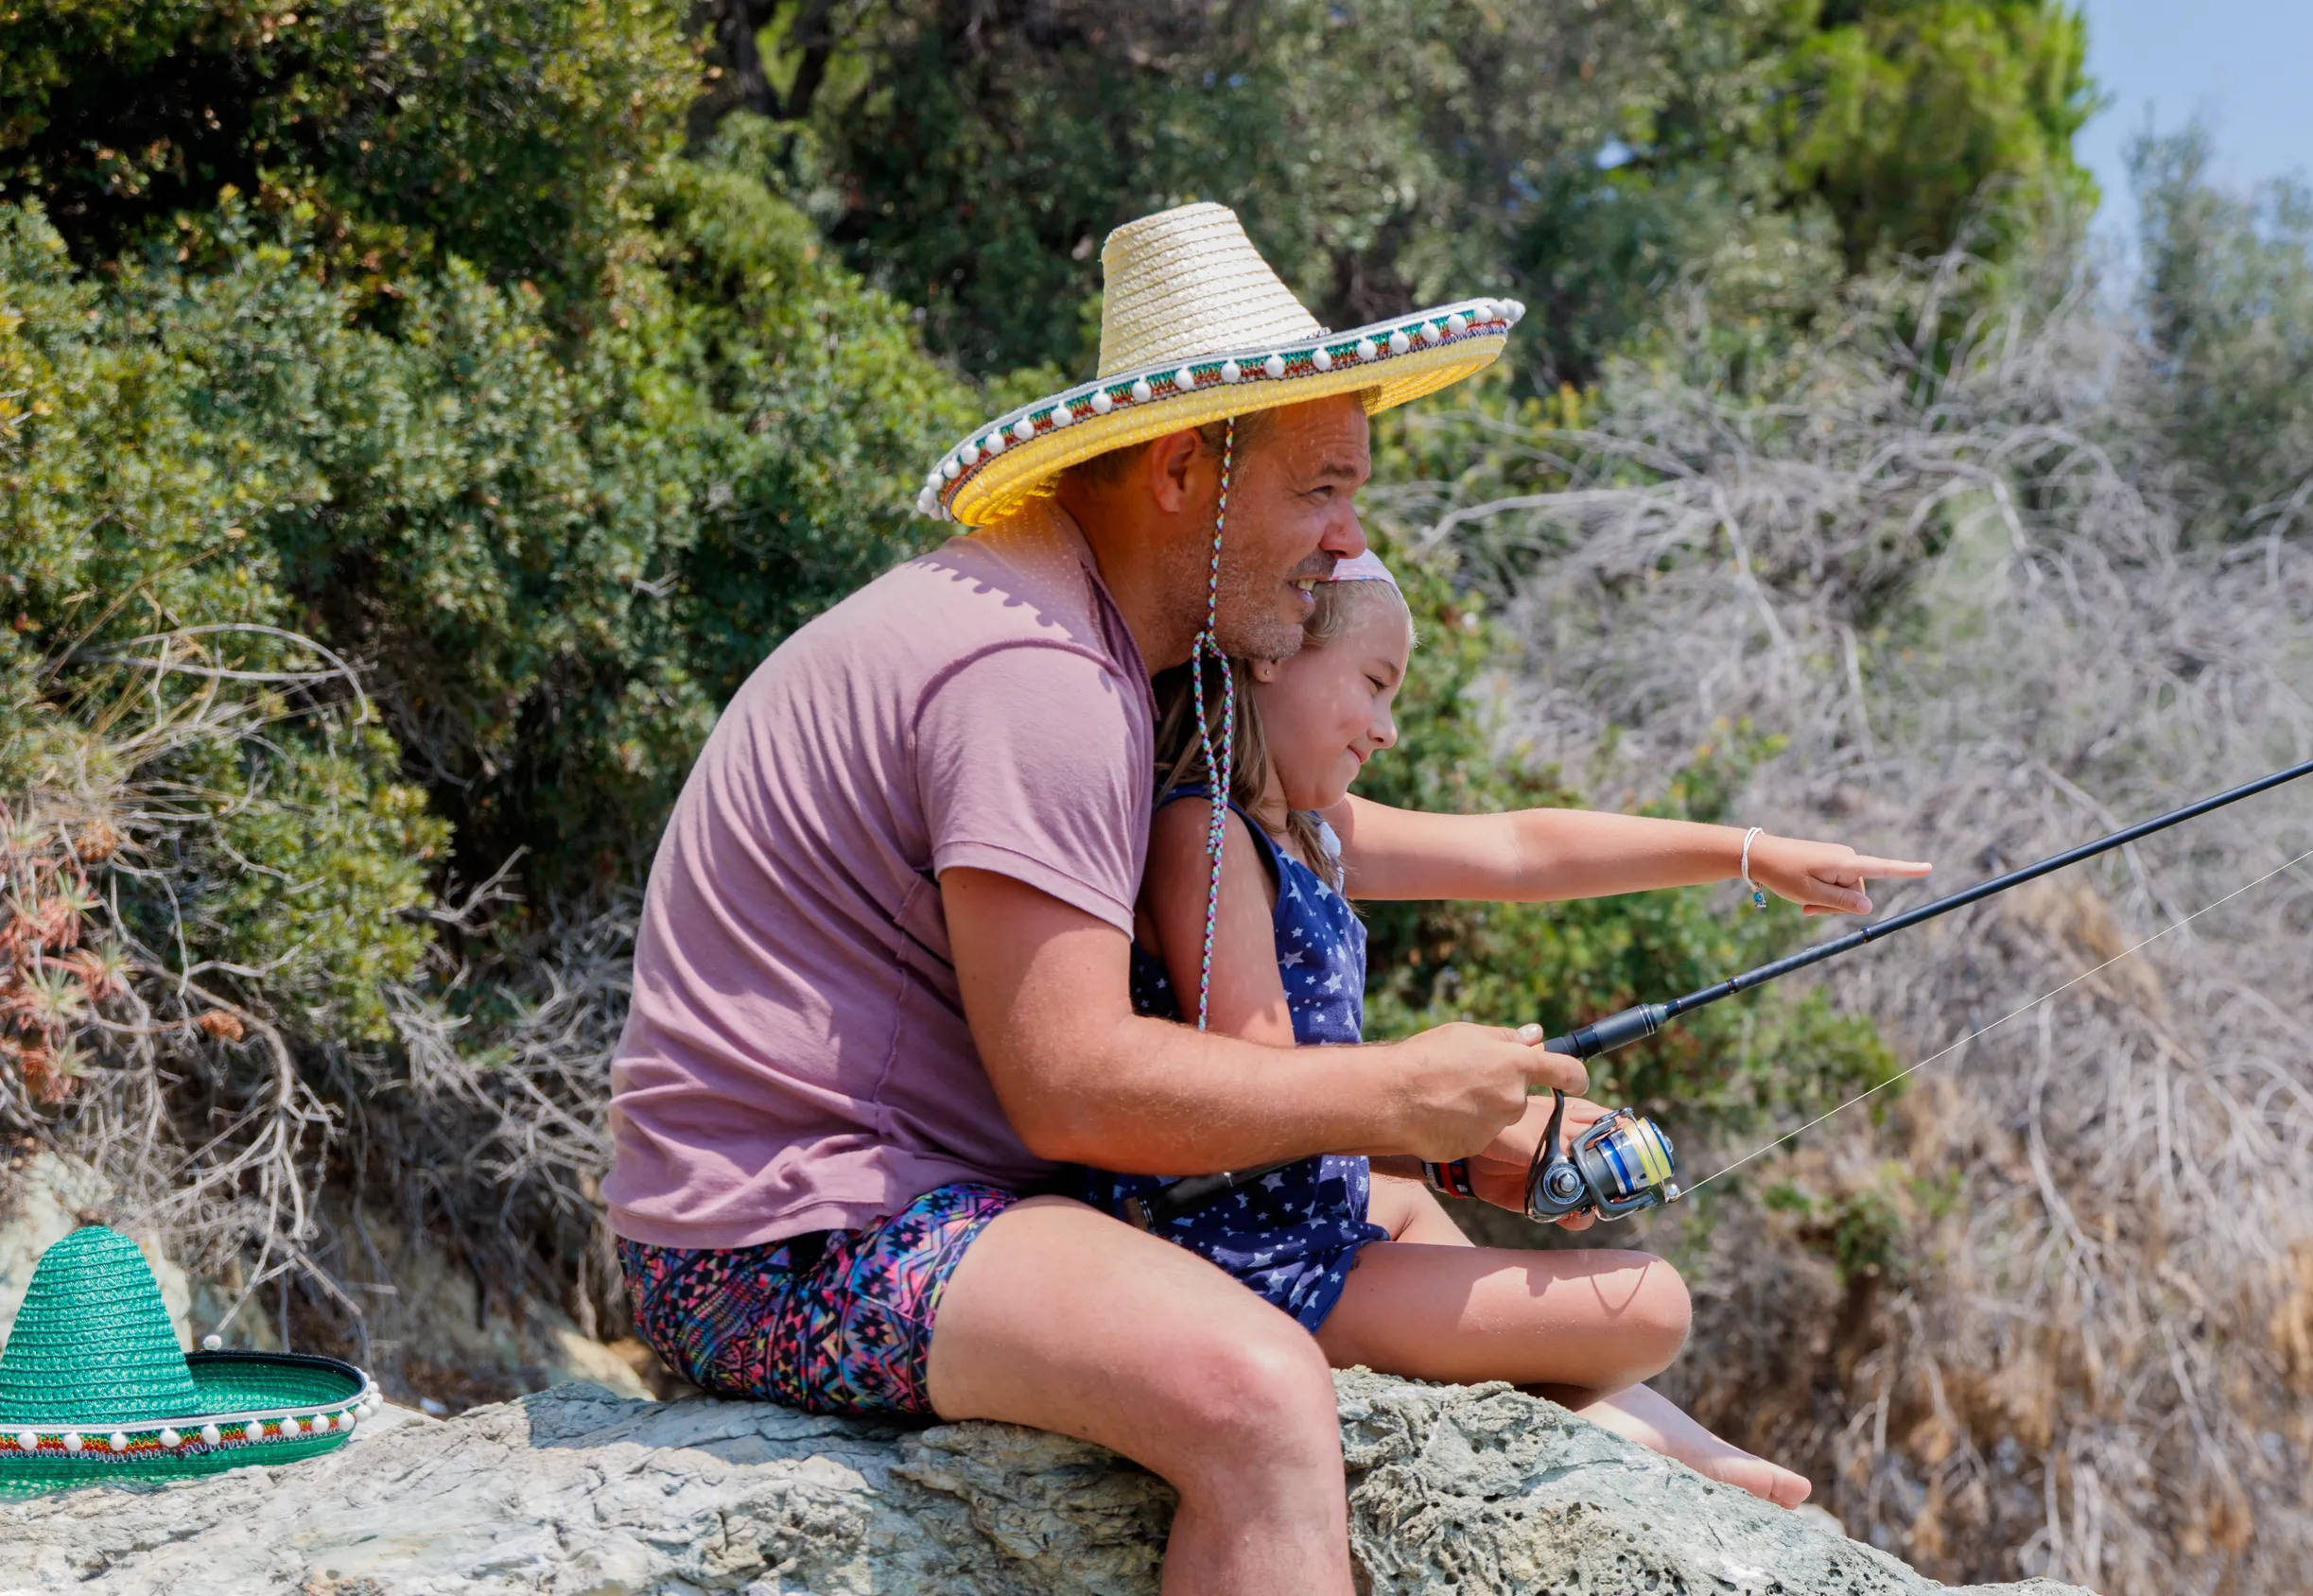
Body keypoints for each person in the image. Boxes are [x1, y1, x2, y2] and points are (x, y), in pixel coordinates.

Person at [598, 201, 1888, 1595]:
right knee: (1260, 1396)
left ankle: (1621, 1432)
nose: (1348, 540)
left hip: (887, 1202)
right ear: (1178, 470)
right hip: (787, 1245)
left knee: (1382, 1218)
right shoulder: (1039, 679)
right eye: (1321, 487)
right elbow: (1072, 1087)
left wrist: (1442, 1142)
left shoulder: (1087, 646)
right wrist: (1398, 1094)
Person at [1085, 552, 1926, 1508]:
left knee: (1435, 1222)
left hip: (1311, 1222)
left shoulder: (1309, 829)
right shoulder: (1208, 833)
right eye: (1374, 683)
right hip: (1252, 1265)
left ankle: (1657, 1437)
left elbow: (1518, 848)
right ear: (1273, 653)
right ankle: (1625, 1429)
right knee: (1652, 1304)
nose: (1388, 727)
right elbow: (1257, 1087)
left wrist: (1748, 853)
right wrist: (1452, 1117)